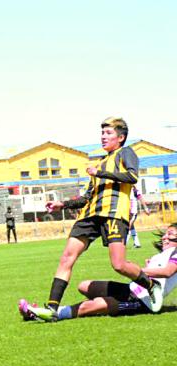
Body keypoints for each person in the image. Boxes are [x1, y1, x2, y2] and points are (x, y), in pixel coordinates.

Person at [36, 117, 162, 318]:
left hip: (113, 215)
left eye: (108, 133)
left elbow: (132, 176)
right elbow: (87, 197)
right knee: (67, 256)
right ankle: (52, 308)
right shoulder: (99, 163)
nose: (103, 137)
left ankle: (150, 284)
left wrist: (101, 173)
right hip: (89, 216)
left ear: (120, 137)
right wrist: (63, 204)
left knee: (119, 265)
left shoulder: (125, 153)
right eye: (102, 133)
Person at [20, 223, 177, 322]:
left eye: (170, 234)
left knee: (92, 306)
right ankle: (107, 303)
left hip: (144, 301)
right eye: (166, 233)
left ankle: (44, 313)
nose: (164, 237)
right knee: (84, 286)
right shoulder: (162, 254)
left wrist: (140, 270)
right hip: (129, 290)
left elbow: (168, 272)